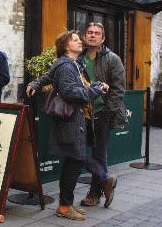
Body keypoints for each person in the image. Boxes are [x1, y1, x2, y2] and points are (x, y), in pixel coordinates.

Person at [28, 31, 107, 220]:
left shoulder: (73, 64)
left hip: (78, 120)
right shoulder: (66, 66)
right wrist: (95, 91)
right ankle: (64, 207)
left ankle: (66, 204)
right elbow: (70, 92)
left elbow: (50, 75)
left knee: (74, 161)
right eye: (75, 40)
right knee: (75, 162)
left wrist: (96, 84)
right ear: (65, 46)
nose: (81, 41)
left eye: (80, 39)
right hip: (72, 121)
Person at [78, 22, 125, 208]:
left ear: (103, 38)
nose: (92, 35)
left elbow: (119, 89)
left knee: (99, 154)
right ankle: (106, 181)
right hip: (81, 113)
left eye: (97, 33)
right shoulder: (78, 58)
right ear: (84, 36)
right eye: (89, 32)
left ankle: (94, 193)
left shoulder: (112, 59)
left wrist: (108, 112)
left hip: (101, 112)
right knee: (79, 151)